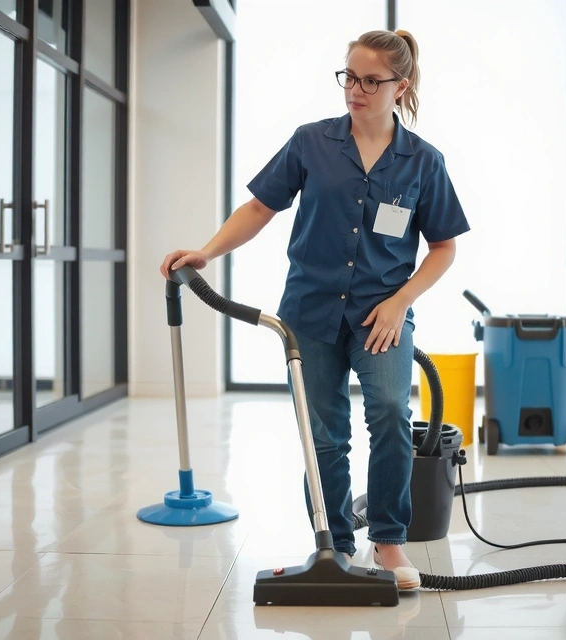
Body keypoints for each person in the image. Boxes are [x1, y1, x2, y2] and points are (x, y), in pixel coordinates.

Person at [161, 29, 469, 590]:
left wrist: (402, 303)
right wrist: (206, 251)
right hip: (310, 311)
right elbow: (259, 206)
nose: (355, 90)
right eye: (349, 77)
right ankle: (337, 547)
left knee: (390, 418)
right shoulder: (312, 142)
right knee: (324, 434)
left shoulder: (424, 162)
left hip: (383, 317)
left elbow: (444, 248)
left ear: (400, 86)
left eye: (370, 81)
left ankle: (390, 543)